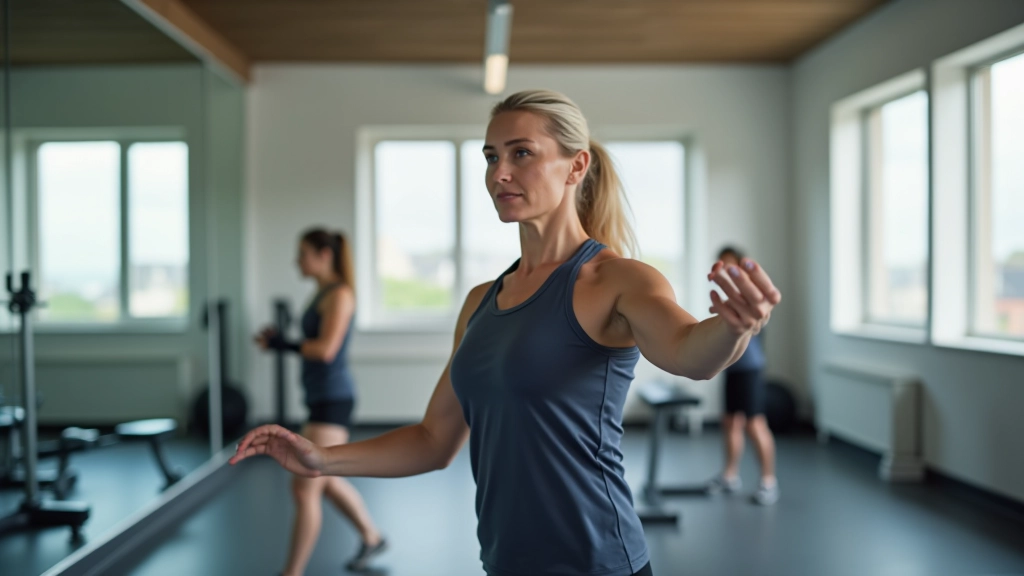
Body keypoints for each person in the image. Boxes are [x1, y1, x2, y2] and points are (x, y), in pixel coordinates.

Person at [235, 90, 781, 576]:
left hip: (597, 562)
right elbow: (433, 440)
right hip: (502, 560)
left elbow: (691, 353)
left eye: (522, 153)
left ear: (575, 167)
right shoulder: (480, 301)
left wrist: (734, 328)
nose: (499, 173)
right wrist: (322, 460)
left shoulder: (615, 280)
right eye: (491, 157)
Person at [255, 228, 387, 575]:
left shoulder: (340, 294)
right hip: (319, 398)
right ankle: (371, 537)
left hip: (333, 399)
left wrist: (285, 344)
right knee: (324, 479)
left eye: (303, 253)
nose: (297, 261)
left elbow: (326, 350)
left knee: (304, 487)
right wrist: (280, 342)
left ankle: (292, 572)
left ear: (324, 255)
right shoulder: (321, 293)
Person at [705, 246, 780, 506]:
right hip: (732, 367)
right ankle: (729, 476)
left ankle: (768, 482)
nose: (725, 269)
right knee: (730, 422)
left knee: (754, 424)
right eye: (721, 264)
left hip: (750, 369)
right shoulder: (728, 298)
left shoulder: (753, 296)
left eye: (729, 265)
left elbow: (756, 322)